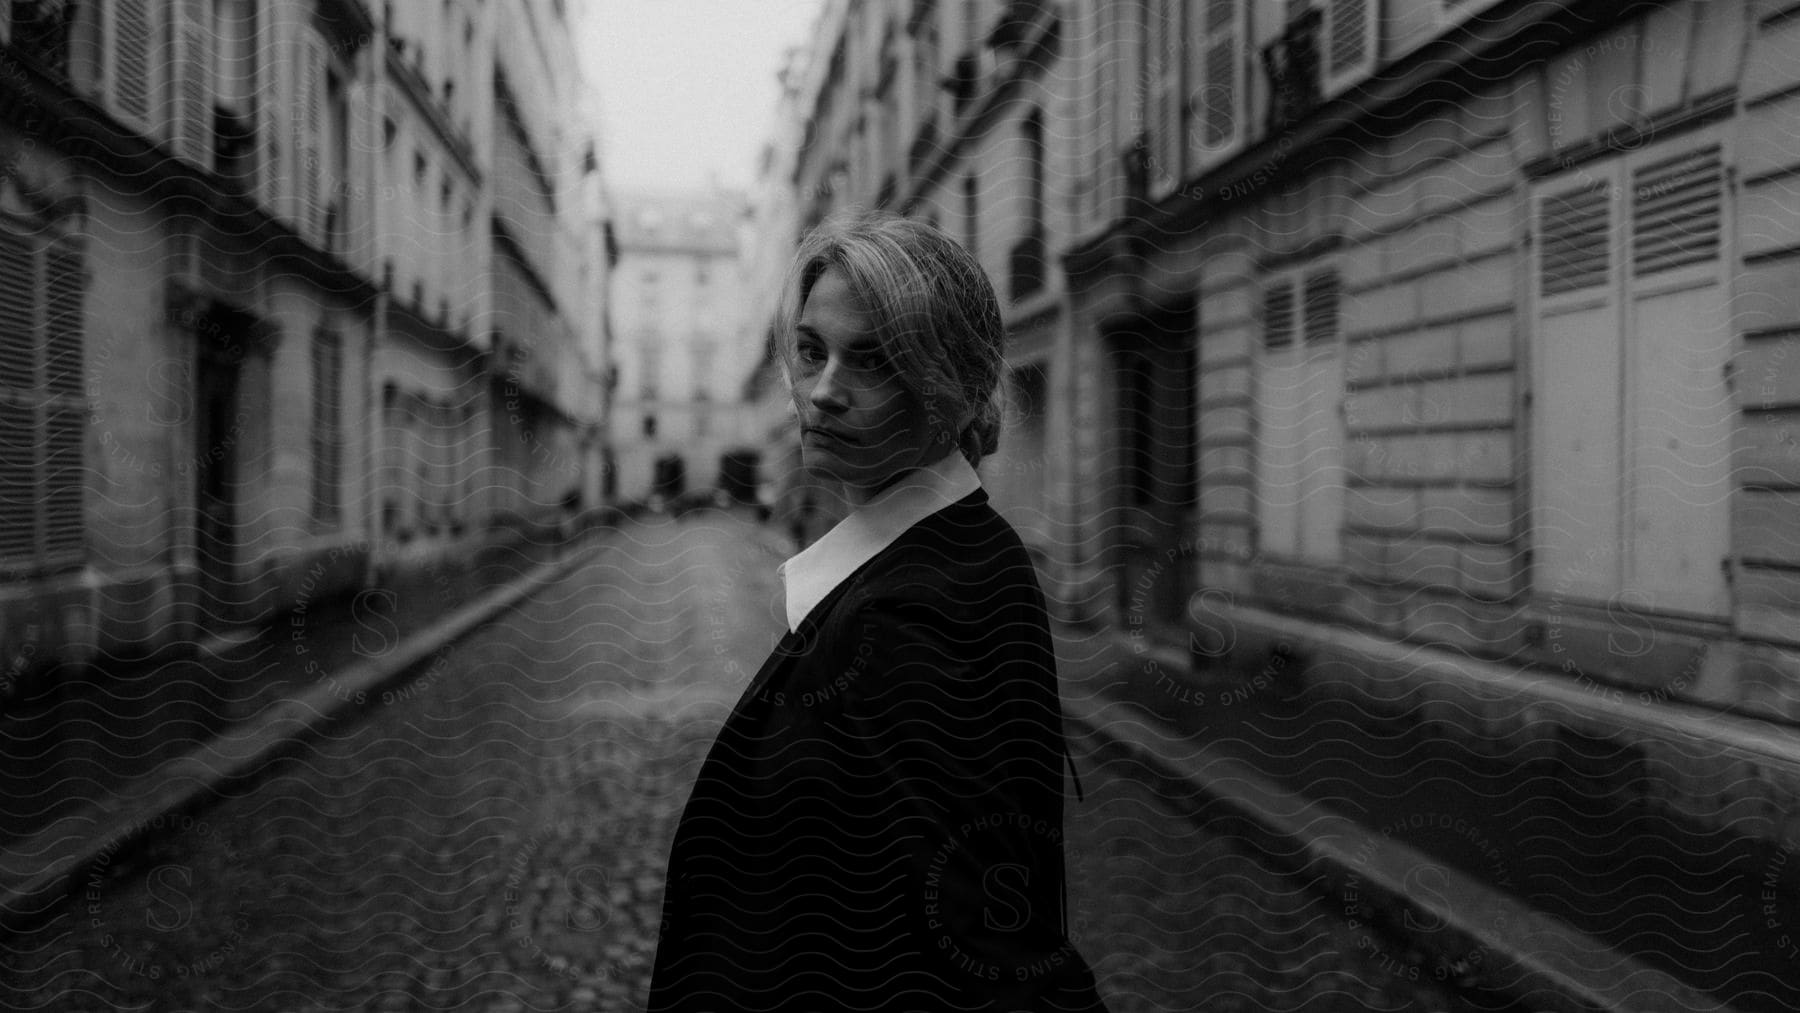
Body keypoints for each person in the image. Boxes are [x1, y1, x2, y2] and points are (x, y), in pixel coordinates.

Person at [646, 211, 1108, 1012]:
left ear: (954, 387)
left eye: (875, 361)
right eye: (811, 351)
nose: (823, 393)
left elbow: (963, 960)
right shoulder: (940, 558)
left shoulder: (917, 615)